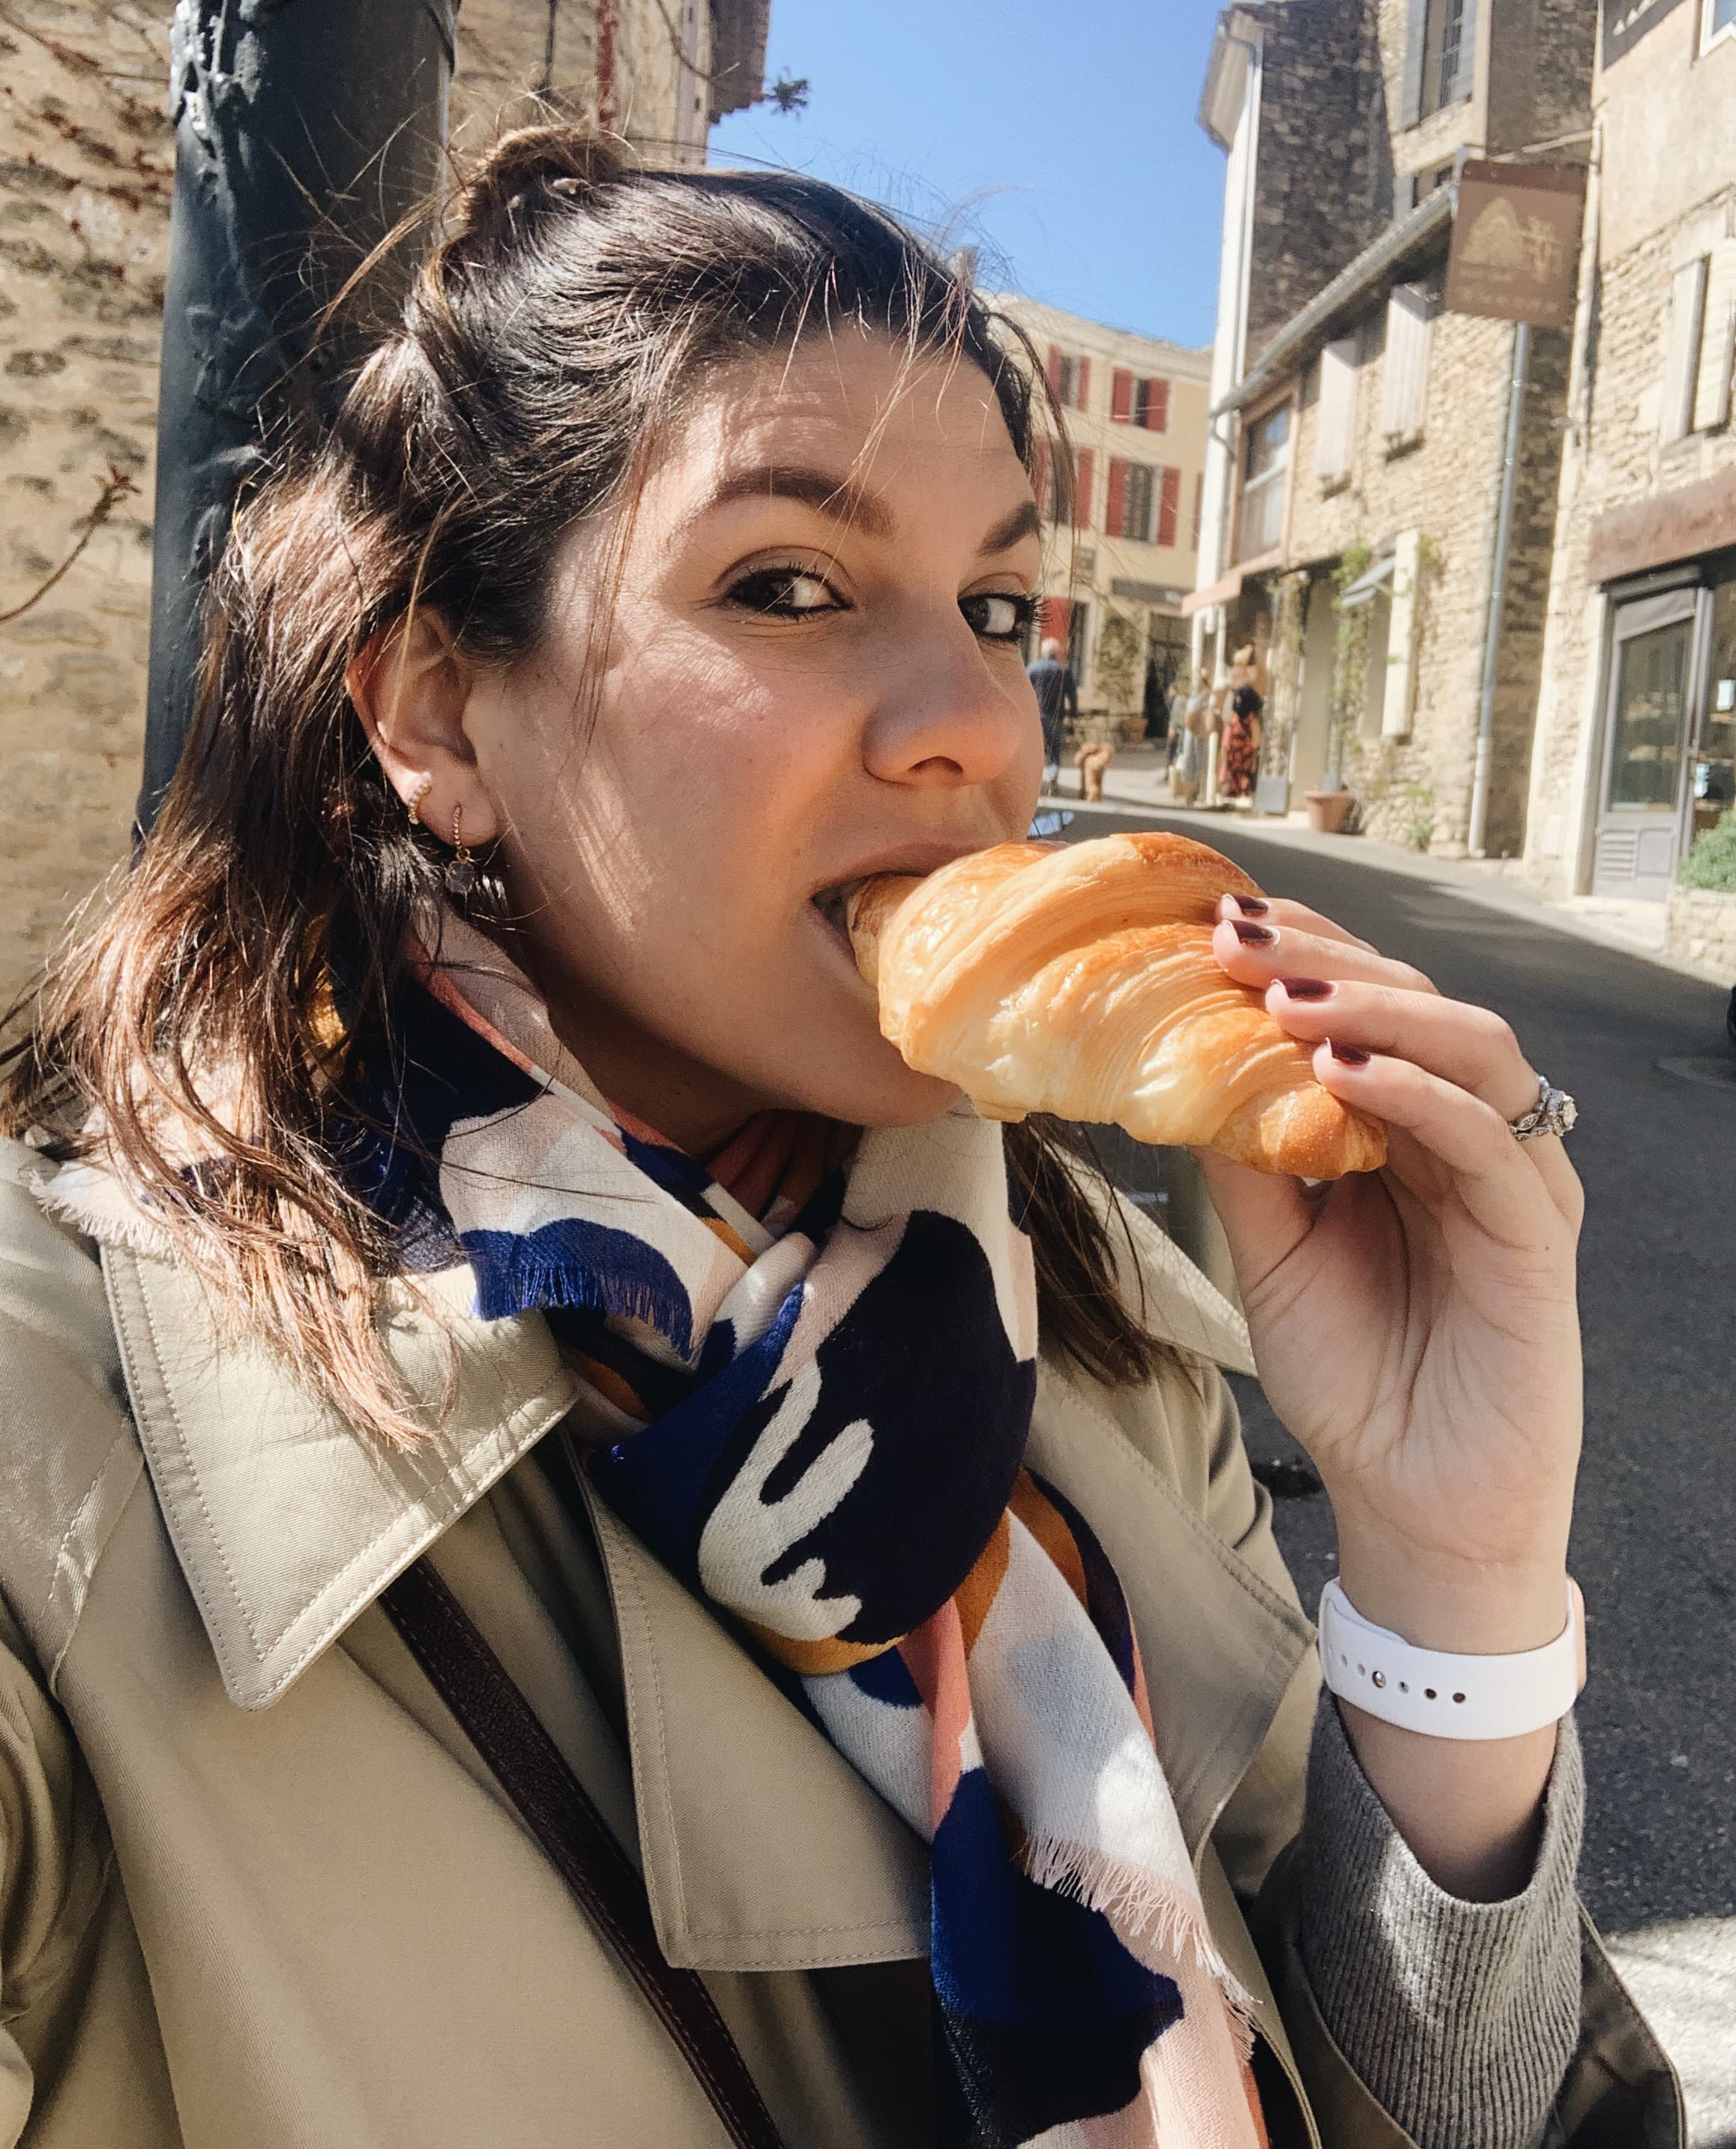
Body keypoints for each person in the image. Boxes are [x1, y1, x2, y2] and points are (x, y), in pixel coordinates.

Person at [0, 127, 1671, 2149]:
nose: (969, 721)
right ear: (438, 715)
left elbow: (1441, 2107)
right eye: (787, 585)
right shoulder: (62, 1427)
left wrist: (1452, 1583)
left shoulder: (1095, 1332)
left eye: (993, 601)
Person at [1026, 634, 1076, 790]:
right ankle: (1053, 780)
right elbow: (1072, 694)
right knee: (1054, 749)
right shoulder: (1063, 670)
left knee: (1034, 748)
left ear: (1043, 651)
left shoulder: (1033, 668)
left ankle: (1032, 782)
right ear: (1056, 652)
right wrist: (1074, 713)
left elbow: (1023, 690)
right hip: (1055, 715)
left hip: (1036, 714)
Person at [1170, 670, 1212, 806]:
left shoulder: (1206, 695)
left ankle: (1197, 792)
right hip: (1190, 730)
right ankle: (1189, 793)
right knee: (1189, 759)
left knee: (1199, 760)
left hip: (1200, 731)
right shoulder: (1194, 695)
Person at [1219, 682, 1263, 803]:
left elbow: (1225, 746)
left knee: (1227, 801)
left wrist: (1223, 769)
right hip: (1245, 771)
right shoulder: (1253, 723)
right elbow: (1256, 744)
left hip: (1231, 770)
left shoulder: (1232, 721)